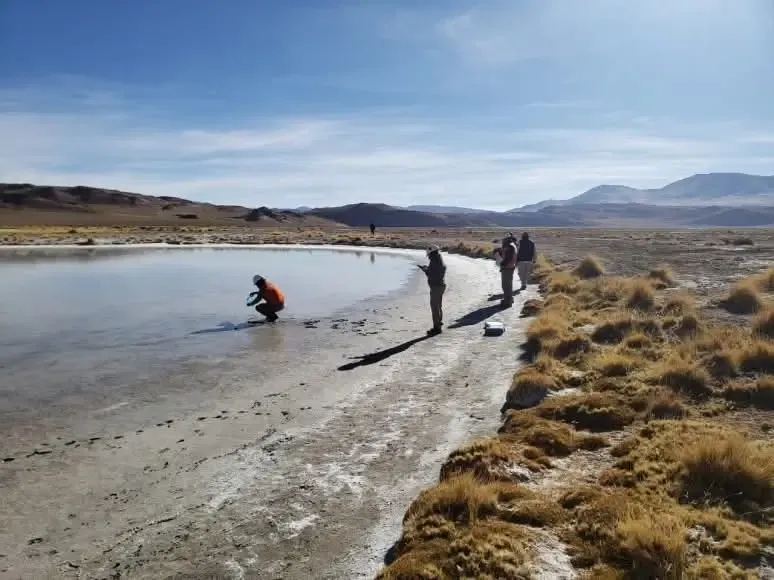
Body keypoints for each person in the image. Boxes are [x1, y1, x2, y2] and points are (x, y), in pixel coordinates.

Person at [418, 246, 446, 335]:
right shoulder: (438, 259)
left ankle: (437, 328)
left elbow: (432, 274)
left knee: (435, 307)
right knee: (438, 306)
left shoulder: (434, 261)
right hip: (440, 286)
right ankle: (439, 324)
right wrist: (427, 269)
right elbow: (436, 272)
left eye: (429, 254)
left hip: (436, 287)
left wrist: (425, 270)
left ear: (431, 253)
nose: (428, 256)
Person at [499, 235, 517, 307]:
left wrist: (502, 264)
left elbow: (508, 258)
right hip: (510, 267)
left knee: (505, 285)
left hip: (507, 268)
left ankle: (507, 302)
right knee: (508, 285)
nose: (503, 242)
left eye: (504, 241)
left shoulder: (509, 247)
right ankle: (509, 299)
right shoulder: (512, 246)